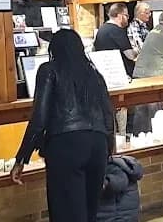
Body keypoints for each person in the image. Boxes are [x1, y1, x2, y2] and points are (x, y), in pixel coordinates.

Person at [10, 29, 115, 221]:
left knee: (67, 212)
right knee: (90, 210)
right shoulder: (94, 73)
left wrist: (22, 158)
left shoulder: (49, 70)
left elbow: (39, 118)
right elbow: (108, 114)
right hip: (98, 143)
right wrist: (109, 149)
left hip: (66, 144)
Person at [94, 3, 139, 77]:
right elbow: (130, 55)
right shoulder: (117, 31)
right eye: (126, 15)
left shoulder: (101, 29)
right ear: (120, 16)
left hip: (107, 74)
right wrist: (136, 50)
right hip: (123, 75)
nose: (128, 18)